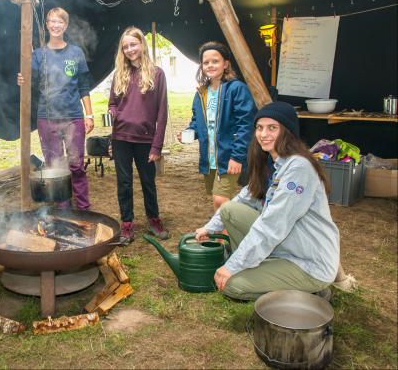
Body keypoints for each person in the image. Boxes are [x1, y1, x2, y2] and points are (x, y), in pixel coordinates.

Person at [195, 102, 339, 300]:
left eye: (272, 128)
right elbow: (243, 199)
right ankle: (261, 266)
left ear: (287, 132)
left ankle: (311, 292)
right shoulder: (272, 163)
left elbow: (272, 225)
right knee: (230, 209)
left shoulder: (299, 168)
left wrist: (232, 267)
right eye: (259, 128)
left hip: (308, 262)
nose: (264, 134)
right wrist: (209, 228)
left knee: (233, 285)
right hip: (286, 247)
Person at [17, 7, 93, 210]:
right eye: (52, 21)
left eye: (60, 21)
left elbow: (84, 86)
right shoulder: (38, 54)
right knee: (55, 166)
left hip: (73, 117)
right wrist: (22, 79)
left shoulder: (75, 53)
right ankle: (63, 208)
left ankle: (84, 207)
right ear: (47, 25)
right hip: (47, 118)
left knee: (76, 165)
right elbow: (30, 83)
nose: (55, 25)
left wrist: (89, 114)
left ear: (65, 25)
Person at [108, 26, 169, 245]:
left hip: (145, 139)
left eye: (133, 44)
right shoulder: (120, 74)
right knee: (123, 183)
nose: (130, 49)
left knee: (147, 181)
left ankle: (154, 219)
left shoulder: (157, 73)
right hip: (121, 138)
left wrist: (157, 146)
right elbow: (113, 104)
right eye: (125, 47)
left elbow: (162, 112)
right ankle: (127, 224)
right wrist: (113, 113)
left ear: (142, 44)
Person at [180, 41, 256, 210]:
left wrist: (237, 157)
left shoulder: (237, 89)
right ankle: (221, 233)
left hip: (228, 156)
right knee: (217, 199)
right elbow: (196, 121)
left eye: (215, 61)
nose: (210, 65)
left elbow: (246, 125)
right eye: (206, 62)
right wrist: (189, 131)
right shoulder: (201, 93)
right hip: (209, 157)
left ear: (225, 64)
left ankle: (228, 233)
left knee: (220, 200)